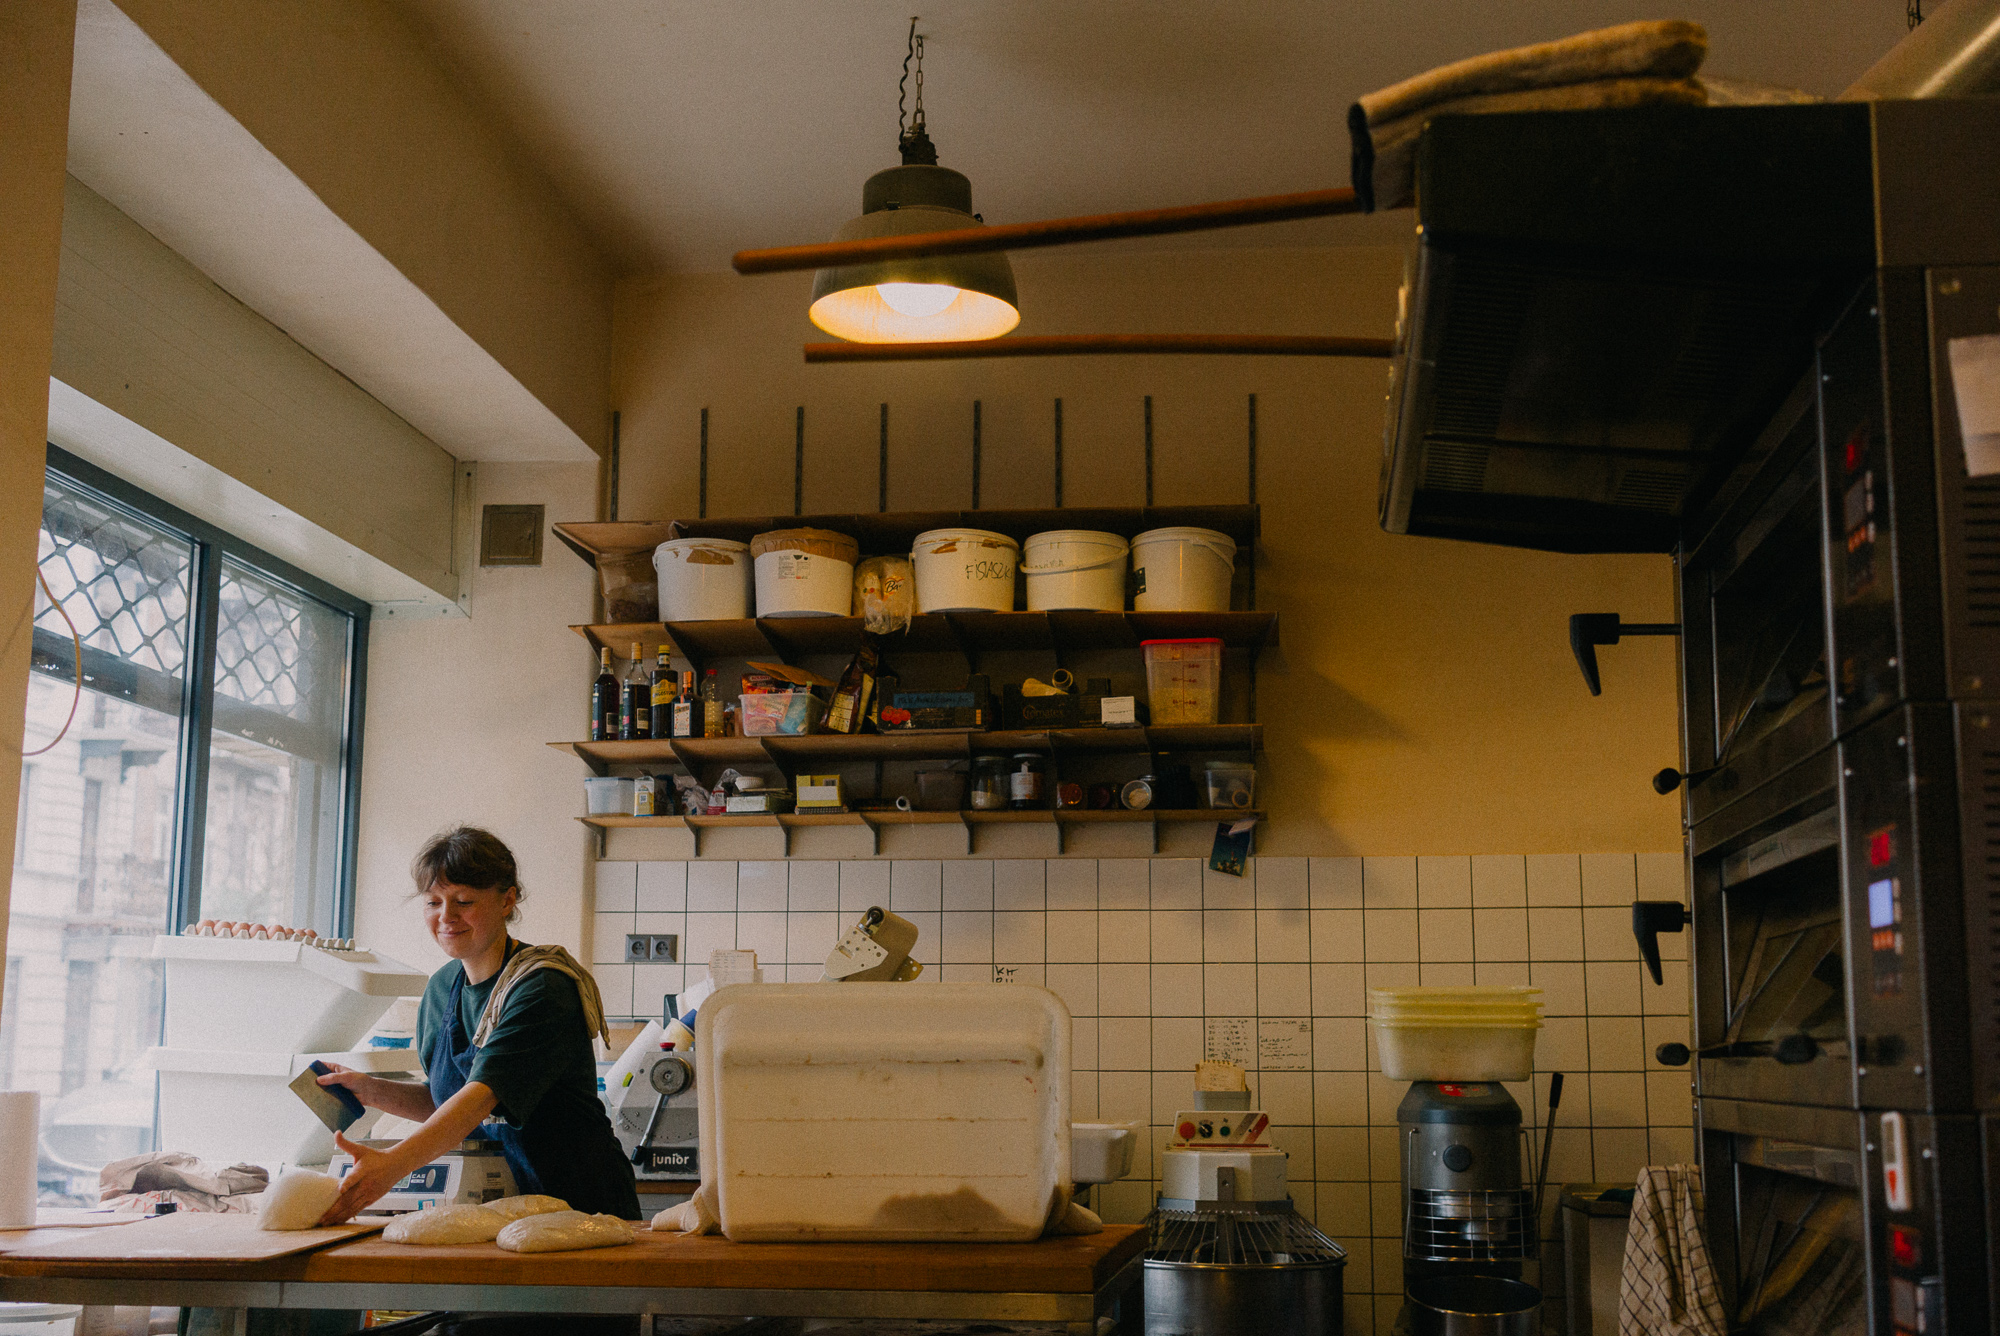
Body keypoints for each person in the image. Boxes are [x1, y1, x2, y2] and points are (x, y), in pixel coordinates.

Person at [316, 826, 641, 1223]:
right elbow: (447, 1104)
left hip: (582, 1205)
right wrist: (368, 1090)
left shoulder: (542, 986)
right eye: (433, 902)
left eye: (463, 901)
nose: (446, 917)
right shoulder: (440, 990)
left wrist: (390, 1166)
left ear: (507, 899)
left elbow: (481, 1098)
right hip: (500, 1205)